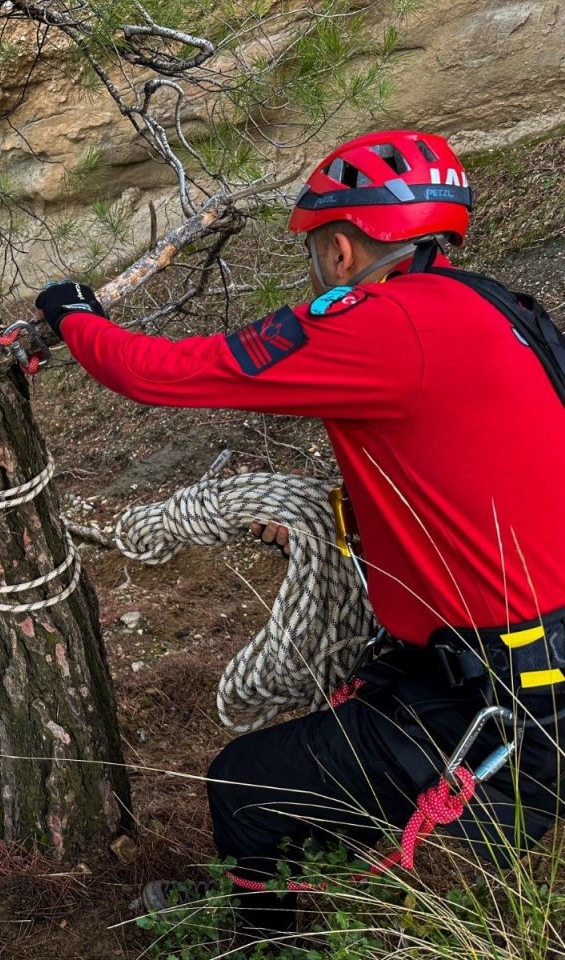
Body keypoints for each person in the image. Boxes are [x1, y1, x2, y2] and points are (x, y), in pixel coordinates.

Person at [35, 129, 565, 934]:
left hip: (497, 699)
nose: (317, 265)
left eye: (318, 248)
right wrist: (337, 530)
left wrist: (73, 318)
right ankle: (319, 877)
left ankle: (265, 940)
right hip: (514, 666)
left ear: (346, 248)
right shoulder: (500, 310)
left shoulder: (379, 325)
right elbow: (472, 476)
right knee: (318, 771)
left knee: (244, 789)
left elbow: (157, 374)